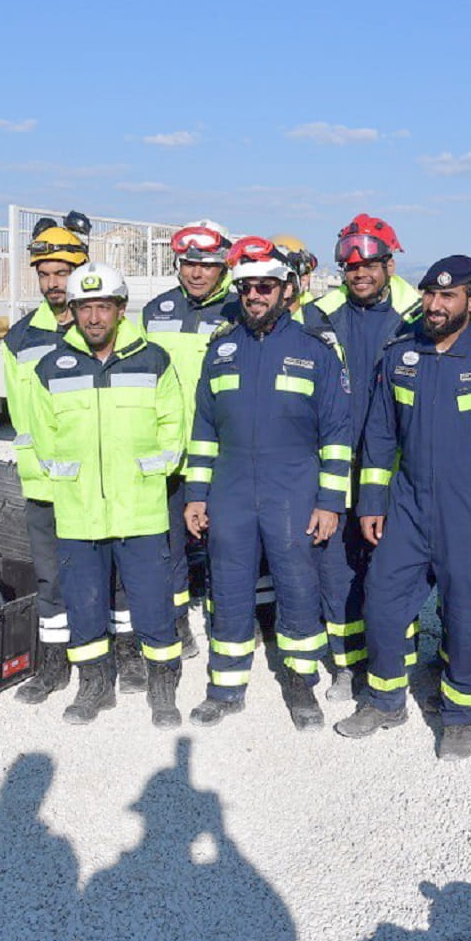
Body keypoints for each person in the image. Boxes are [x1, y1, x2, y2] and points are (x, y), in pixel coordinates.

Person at [343, 255, 471, 760]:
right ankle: (384, 699)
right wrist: (372, 501)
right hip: (409, 505)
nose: (435, 305)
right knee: (381, 599)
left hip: (470, 514)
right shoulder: (400, 355)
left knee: (466, 615)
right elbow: (379, 434)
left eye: (447, 296)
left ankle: (460, 716)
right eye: (428, 295)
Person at [183, 237, 353, 731]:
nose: (255, 294)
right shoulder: (221, 350)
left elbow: (337, 436)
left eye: (265, 286)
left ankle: (301, 686)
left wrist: (329, 503)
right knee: (229, 588)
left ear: (286, 290)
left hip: (293, 490)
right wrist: (196, 494)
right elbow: (204, 430)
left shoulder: (315, 351)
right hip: (231, 490)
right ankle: (225, 686)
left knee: (298, 586)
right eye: (247, 287)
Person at [28, 263, 187, 727]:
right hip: (79, 512)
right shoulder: (51, 367)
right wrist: (71, 480)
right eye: (84, 308)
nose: (94, 318)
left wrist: (148, 472)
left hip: (139, 508)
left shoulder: (152, 359)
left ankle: (163, 685)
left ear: (120, 309)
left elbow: (172, 428)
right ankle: (94, 686)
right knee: (85, 604)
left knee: (154, 604)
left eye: (103, 307)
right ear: (72, 312)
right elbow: (44, 436)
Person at [302, 214, 419, 702]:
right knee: (338, 570)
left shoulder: (417, 313)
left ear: (390, 264)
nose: (360, 273)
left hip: (399, 466)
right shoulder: (318, 315)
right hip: (336, 460)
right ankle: (349, 664)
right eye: (351, 266)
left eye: (371, 263)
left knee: (396, 570)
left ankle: (397, 662)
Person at [138, 222, 235, 678]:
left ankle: (228, 620)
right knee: (172, 540)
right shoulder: (155, 311)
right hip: (170, 446)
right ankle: (179, 621)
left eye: (207, 266)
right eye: (190, 264)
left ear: (223, 267)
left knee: (227, 538)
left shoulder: (241, 308)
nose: (197, 274)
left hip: (224, 446)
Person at [8, 213, 87, 705]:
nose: (53, 283)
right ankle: (55, 666)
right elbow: (21, 414)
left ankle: (114, 661)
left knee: (110, 572)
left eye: (62, 273)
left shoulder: (107, 325)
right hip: (45, 482)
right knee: (50, 577)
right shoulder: (20, 338)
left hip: (99, 478)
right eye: (45, 274)